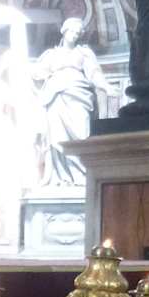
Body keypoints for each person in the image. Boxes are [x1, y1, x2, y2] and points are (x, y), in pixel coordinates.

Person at [30, 16, 110, 187]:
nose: (74, 34)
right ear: (64, 31)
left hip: (78, 96)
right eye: (72, 31)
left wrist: (106, 87)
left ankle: (82, 175)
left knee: (81, 134)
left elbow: (95, 74)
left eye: (77, 32)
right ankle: (61, 177)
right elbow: (35, 75)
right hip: (55, 98)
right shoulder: (51, 55)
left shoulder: (84, 53)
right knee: (57, 138)